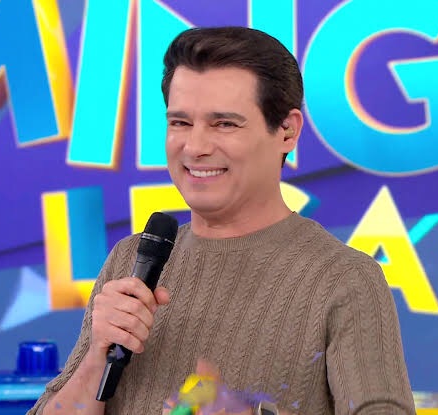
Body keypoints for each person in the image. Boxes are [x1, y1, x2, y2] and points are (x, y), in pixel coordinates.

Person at [27, 26, 416, 415]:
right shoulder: (131, 260)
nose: (195, 147)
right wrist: (97, 358)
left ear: (287, 131)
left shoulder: (344, 279)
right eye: (180, 123)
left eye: (224, 124)